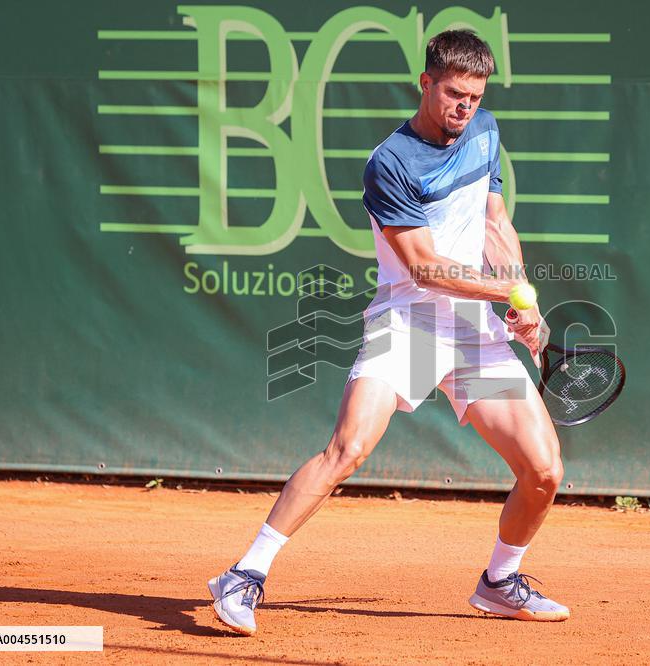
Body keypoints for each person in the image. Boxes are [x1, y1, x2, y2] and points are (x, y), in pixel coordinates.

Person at [207, 29, 568, 635]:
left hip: (474, 328)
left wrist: (524, 297)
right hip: (409, 323)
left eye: (475, 97)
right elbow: (425, 267)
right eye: (454, 94)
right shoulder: (389, 163)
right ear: (425, 84)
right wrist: (506, 294)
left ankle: (500, 581)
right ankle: (244, 574)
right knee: (347, 450)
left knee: (544, 471)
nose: (465, 107)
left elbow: (495, 221)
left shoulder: (484, 132)